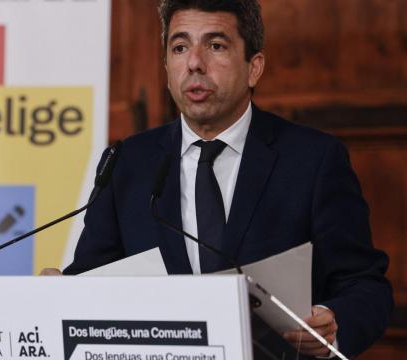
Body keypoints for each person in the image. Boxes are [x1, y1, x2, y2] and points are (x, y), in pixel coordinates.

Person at [43, 0, 393, 358]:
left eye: (215, 45)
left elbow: (365, 285)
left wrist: (333, 324)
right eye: (179, 47)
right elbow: (91, 280)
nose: (194, 63)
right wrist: (62, 295)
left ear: (254, 67)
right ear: (166, 67)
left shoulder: (313, 160)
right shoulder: (128, 163)